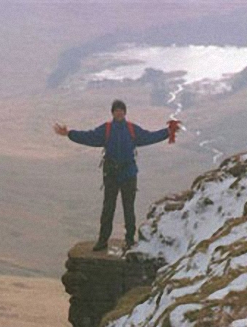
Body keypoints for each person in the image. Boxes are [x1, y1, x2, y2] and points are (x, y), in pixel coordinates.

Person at [54, 99, 179, 252]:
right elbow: (89, 137)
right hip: (112, 174)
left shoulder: (132, 129)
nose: (119, 112)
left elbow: (148, 137)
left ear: (125, 112)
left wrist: (167, 132)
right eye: (116, 110)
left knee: (128, 208)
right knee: (108, 208)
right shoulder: (106, 129)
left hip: (128, 174)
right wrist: (69, 134)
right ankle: (102, 240)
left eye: (121, 110)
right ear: (112, 113)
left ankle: (129, 240)